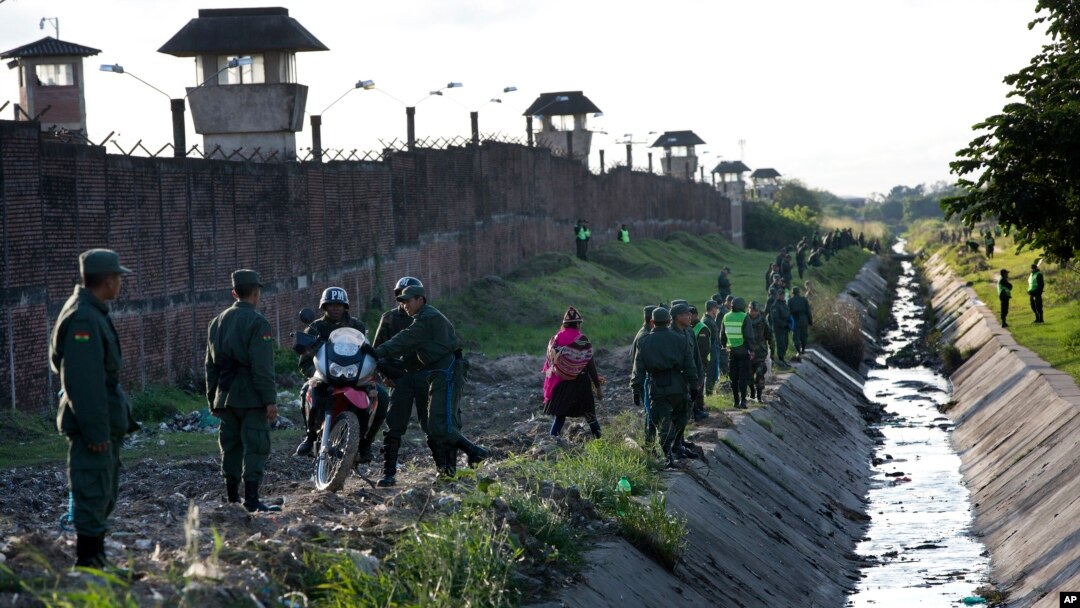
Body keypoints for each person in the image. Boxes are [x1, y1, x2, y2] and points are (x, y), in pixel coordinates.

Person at [51, 249, 139, 569]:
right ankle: (89, 566)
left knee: (102, 491)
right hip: (92, 426)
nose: (120, 284)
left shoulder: (92, 311)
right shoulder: (84, 318)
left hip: (100, 423)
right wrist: (97, 430)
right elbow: (84, 383)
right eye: (118, 278)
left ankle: (97, 563)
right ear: (107, 280)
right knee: (92, 491)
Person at [372, 285, 487, 478]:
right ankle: (470, 454)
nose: (405, 305)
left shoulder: (428, 318)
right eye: (402, 301)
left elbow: (404, 340)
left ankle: (470, 455)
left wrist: (376, 352)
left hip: (447, 373)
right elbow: (411, 356)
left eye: (408, 301)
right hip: (436, 374)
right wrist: (388, 368)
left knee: (443, 425)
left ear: (420, 299)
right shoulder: (420, 318)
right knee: (435, 425)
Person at [205, 270, 281, 513]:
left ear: (234, 293)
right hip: (251, 396)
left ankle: (231, 499)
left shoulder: (216, 322)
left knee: (230, 447)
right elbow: (262, 367)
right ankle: (251, 499)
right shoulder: (259, 323)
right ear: (256, 292)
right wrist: (269, 400)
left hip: (225, 396)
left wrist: (213, 400)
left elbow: (210, 366)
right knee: (256, 445)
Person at [295, 287, 388, 464]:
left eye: (339, 305)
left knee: (382, 397)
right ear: (324, 307)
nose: (335, 308)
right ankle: (310, 435)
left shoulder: (357, 326)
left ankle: (366, 442)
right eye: (331, 305)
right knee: (306, 390)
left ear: (345, 306)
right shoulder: (315, 328)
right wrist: (316, 374)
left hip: (354, 376)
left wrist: (368, 370)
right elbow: (305, 362)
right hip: (325, 375)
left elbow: (366, 353)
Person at [372, 277, 430, 487]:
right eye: (399, 294)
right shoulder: (389, 318)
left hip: (426, 377)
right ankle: (389, 472)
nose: (402, 299)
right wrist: (385, 374)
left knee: (432, 424)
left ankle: (445, 468)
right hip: (400, 378)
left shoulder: (428, 317)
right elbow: (377, 350)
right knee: (394, 426)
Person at [630, 307, 698, 467]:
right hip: (679, 384)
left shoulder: (644, 341)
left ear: (652, 322)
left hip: (657, 386)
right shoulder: (680, 339)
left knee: (662, 422)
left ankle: (668, 455)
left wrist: (636, 389)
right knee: (682, 415)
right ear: (669, 321)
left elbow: (638, 368)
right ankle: (674, 446)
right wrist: (694, 385)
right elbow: (690, 365)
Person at [542, 307, 604, 439]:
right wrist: (598, 387)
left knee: (559, 418)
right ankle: (600, 441)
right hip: (580, 385)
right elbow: (590, 364)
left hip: (560, 384)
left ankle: (551, 443)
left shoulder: (555, 339)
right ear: (577, 324)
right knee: (590, 416)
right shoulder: (582, 340)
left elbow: (550, 365)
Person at [720, 297, 756, 409]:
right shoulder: (744, 317)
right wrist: (752, 350)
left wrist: (724, 345)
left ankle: (735, 402)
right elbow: (749, 336)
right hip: (743, 352)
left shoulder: (726, 316)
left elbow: (722, 334)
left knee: (734, 378)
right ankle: (743, 401)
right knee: (743, 378)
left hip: (731, 352)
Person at [747, 301, 773, 403]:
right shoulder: (745, 320)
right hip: (748, 353)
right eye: (751, 310)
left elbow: (769, 336)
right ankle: (752, 391)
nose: (753, 313)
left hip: (760, 354)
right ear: (748, 309)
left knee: (760, 374)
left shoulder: (762, 321)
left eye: (755, 311)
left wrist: (772, 351)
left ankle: (759, 395)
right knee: (748, 375)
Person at [690, 305, 712, 422]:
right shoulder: (688, 327)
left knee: (698, 389)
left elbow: (702, 351)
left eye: (690, 315)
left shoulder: (701, 328)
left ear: (695, 315)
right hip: (691, 364)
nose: (688, 317)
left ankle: (699, 411)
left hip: (700, 364)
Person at [702, 300, 722, 396]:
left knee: (713, 373)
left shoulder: (710, 320)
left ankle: (710, 393)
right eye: (716, 308)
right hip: (711, 352)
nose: (717, 310)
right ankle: (709, 395)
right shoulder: (707, 321)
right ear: (713, 309)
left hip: (714, 351)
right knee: (710, 374)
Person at [788, 286, 812, 358]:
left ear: (792, 293)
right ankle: (803, 349)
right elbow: (808, 311)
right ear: (799, 292)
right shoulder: (804, 299)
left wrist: (789, 323)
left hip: (795, 320)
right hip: (804, 319)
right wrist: (810, 321)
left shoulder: (790, 301)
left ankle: (798, 351)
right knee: (804, 336)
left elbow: (788, 313)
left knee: (796, 337)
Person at [770, 289, 792, 366]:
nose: (782, 296)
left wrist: (790, 323)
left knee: (786, 343)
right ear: (777, 296)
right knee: (781, 344)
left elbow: (788, 314)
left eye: (782, 294)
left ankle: (782, 358)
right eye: (780, 294)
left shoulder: (784, 304)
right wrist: (784, 324)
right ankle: (781, 359)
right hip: (779, 329)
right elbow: (775, 319)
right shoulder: (775, 306)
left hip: (785, 328)